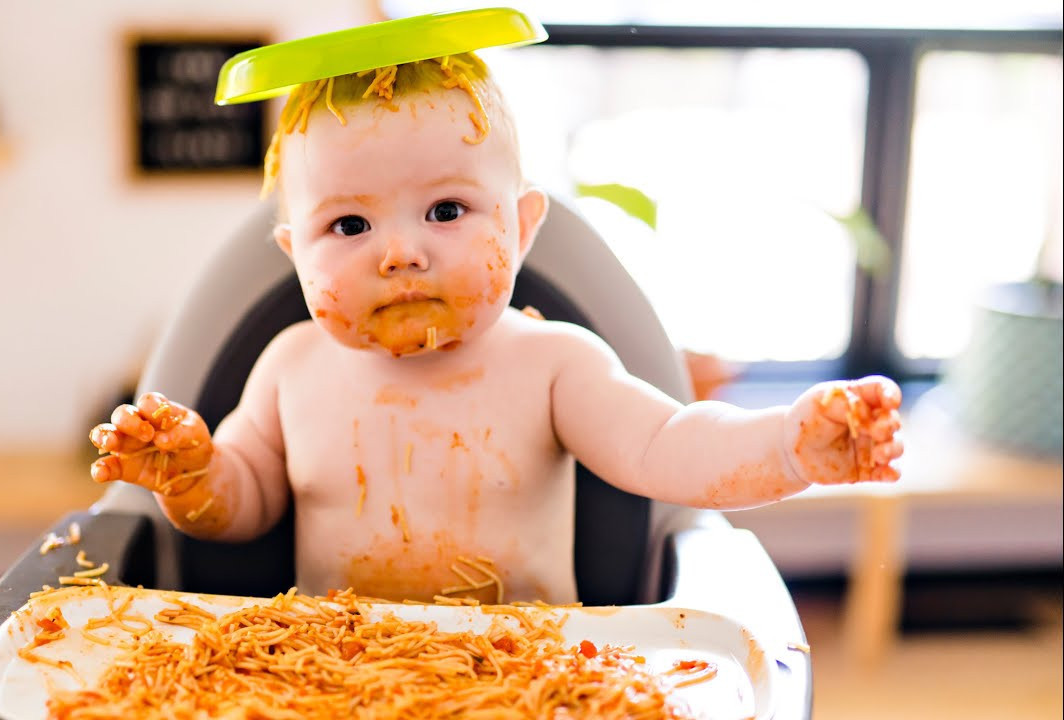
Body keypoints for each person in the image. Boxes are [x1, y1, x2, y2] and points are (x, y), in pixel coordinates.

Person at [88, 52, 903, 605]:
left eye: (447, 211)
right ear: (294, 253)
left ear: (521, 226)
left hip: (531, 674)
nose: (401, 254)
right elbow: (244, 502)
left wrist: (789, 446)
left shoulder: (552, 366)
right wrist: (193, 475)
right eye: (349, 226)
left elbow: (670, 447)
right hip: (332, 673)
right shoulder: (289, 369)